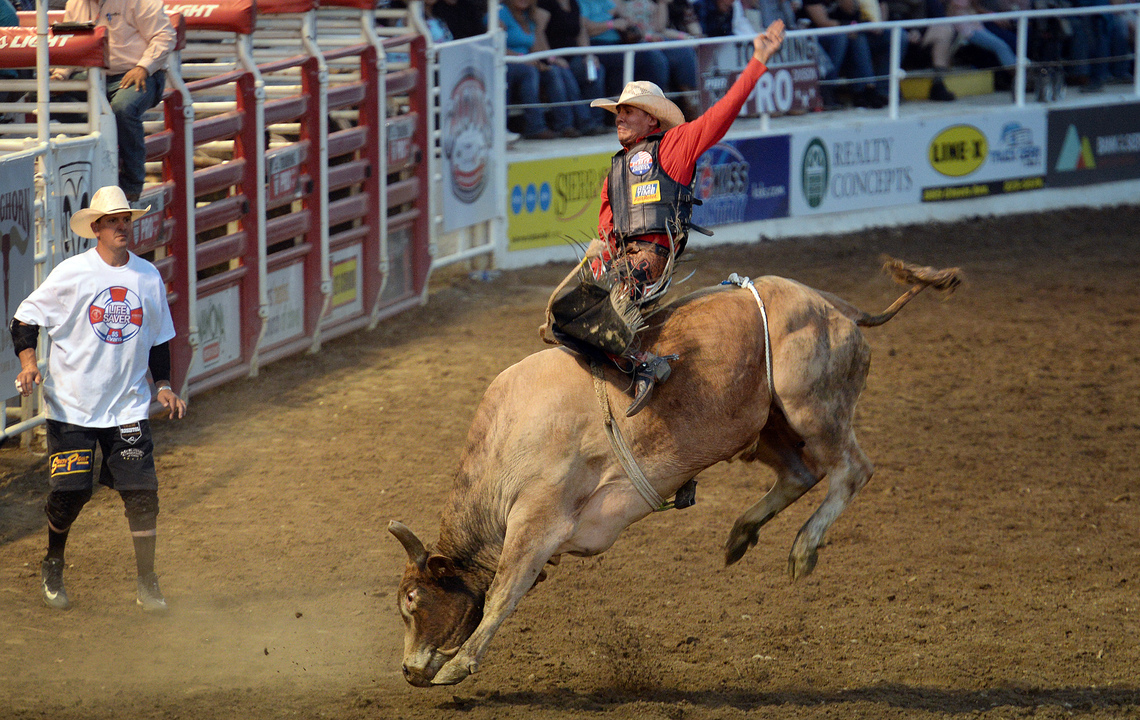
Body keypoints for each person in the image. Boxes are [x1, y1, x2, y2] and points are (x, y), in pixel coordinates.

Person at [547, 21, 785, 416]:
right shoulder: (616, 171)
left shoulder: (674, 146)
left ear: (652, 120)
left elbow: (722, 114)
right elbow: (607, 232)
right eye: (618, 112)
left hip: (648, 260)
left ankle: (643, 365)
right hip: (624, 260)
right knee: (564, 316)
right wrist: (591, 265)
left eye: (628, 111)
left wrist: (758, 60)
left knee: (579, 319)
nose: (619, 118)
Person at [11, 185, 187, 613]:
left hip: (127, 406)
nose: (122, 226)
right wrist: (29, 363)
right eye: (113, 221)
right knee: (70, 494)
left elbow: (160, 339)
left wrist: (163, 384)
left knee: (142, 495)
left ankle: (147, 581)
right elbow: (25, 318)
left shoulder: (147, 277)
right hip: (73, 405)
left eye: (126, 219)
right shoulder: (73, 274)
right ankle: (53, 563)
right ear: (96, 228)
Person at [50, 0, 176, 202]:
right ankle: (101, 152)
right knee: (47, 100)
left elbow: (165, 36)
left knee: (123, 108)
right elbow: (72, 44)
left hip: (141, 72)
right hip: (94, 76)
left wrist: (144, 67)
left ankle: (131, 183)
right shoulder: (76, 3)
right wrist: (60, 75)